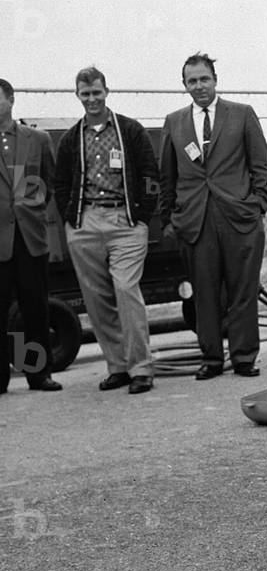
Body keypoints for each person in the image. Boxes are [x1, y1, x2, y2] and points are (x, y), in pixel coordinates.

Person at [159, 54, 267, 380]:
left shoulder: (242, 114)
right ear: (185, 86)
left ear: (215, 80)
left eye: (203, 79)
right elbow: (168, 175)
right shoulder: (174, 122)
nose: (199, 86)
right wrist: (169, 218)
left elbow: (259, 163)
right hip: (195, 220)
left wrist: (258, 203)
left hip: (239, 217)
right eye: (192, 81)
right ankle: (210, 357)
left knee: (243, 289)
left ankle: (244, 356)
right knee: (203, 291)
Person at [54, 66, 158, 394]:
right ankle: (118, 367)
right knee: (97, 300)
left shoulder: (130, 130)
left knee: (126, 291)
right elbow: (60, 183)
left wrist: (142, 215)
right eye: (85, 94)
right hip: (85, 224)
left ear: (106, 91)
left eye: (96, 92)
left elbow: (150, 174)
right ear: (78, 96)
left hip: (124, 223)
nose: (92, 99)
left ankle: (141, 368)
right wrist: (71, 219)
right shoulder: (72, 138)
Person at [0, 79, 62, 395]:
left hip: (29, 239)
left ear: (11, 100)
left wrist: (29, 208)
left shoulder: (37, 140)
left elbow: (47, 182)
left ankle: (38, 375)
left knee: (34, 310)